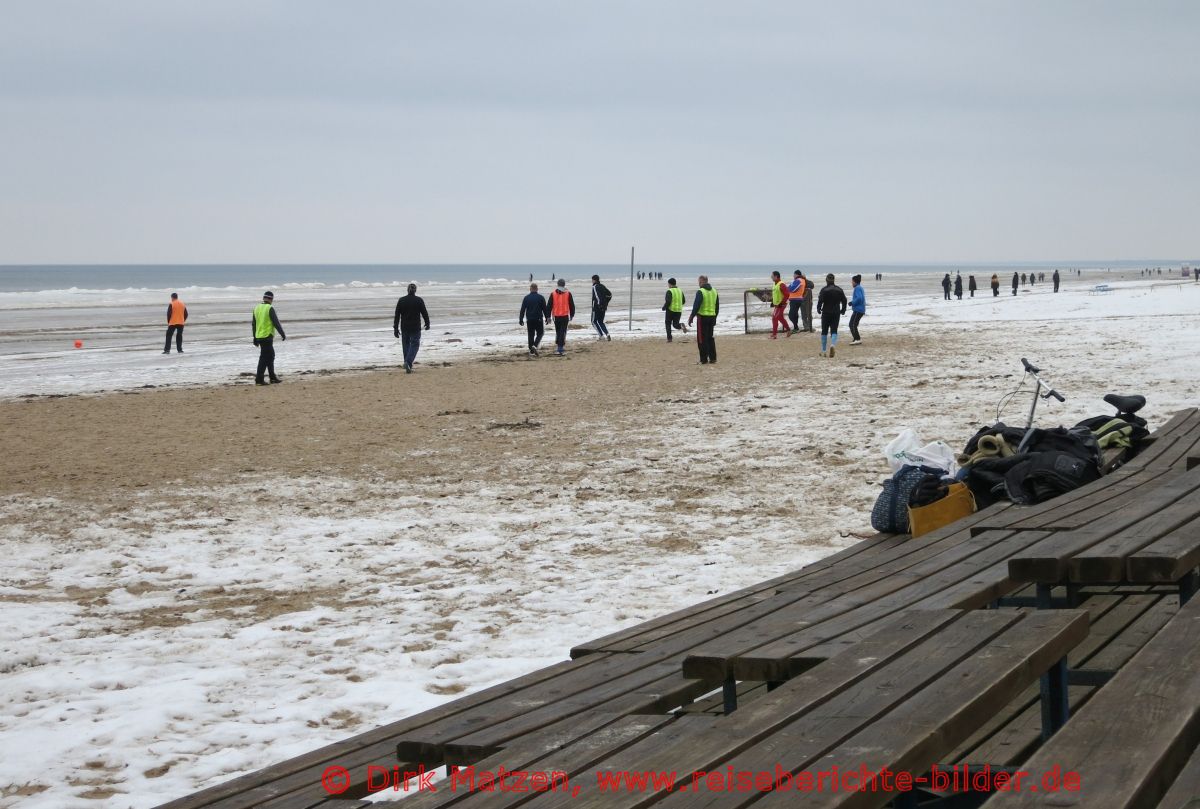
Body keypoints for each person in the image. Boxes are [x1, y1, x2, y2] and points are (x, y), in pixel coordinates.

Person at [393, 283, 431, 373]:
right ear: (415, 290)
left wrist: (395, 328)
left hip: (404, 327)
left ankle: (408, 365)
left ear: (407, 290)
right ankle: (408, 362)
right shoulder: (419, 300)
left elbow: (397, 316)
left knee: (405, 346)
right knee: (415, 345)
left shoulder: (401, 300)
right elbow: (424, 313)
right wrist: (427, 323)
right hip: (415, 327)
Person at [251, 291, 286, 385]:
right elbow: (276, 323)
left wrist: (254, 337)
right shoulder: (269, 308)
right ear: (271, 299)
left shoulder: (256, 308)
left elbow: (254, 324)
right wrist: (282, 333)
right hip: (267, 336)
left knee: (270, 356)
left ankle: (272, 377)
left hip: (259, 336)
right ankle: (259, 379)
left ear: (263, 298)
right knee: (264, 358)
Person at [687, 275, 718, 365]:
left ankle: (703, 359)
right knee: (710, 338)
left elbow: (696, 305)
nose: (698, 284)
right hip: (712, 317)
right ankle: (713, 358)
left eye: (699, 282)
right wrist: (715, 317)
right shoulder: (714, 291)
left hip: (702, 318)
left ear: (701, 282)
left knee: (701, 339)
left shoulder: (701, 291)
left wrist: (691, 317)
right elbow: (717, 306)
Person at [816, 273, 847, 358]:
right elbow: (844, 300)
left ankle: (824, 351)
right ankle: (832, 344)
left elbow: (820, 300)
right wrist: (843, 310)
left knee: (824, 331)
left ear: (826, 280)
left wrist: (818, 308)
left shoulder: (824, 290)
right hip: (836, 312)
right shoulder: (839, 290)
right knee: (834, 330)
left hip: (826, 312)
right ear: (834, 280)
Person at [519, 283, 549, 356]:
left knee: (531, 334)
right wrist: (547, 318)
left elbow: (522, 309)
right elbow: (545, 309)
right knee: (540, 333)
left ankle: (531, 351)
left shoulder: (526, 298)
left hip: (529, 319)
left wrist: (521, 319)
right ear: (537, 289)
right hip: (538, 319)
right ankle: (534, 346)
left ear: (530, 289)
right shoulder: (541, 297)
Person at [549, 278, 575, 356]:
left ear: (557, 284)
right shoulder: (568, 293)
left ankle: (560, 347)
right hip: (564, 316)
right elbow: (572, 305)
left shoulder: (553, 293)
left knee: (559, 332)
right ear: (564, 285)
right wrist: (572, 314)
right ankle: (560, 348)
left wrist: (548, 316)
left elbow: (549, 306)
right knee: (562, 332)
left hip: (557, 316)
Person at [662, 277, 687, 341]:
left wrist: (664, 307)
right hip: (678, 310)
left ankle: (669, 338)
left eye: (668, 284)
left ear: (670, 284)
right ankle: (681, 325)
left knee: (668, 323)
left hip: (670, 310)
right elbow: (683, 301)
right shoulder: (680, 291)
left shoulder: (669, 291)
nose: (668, 285)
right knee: (675, 325)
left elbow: (668, 301)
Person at [768, 270, 791, 338]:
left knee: (774, 318)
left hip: (781, 304)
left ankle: (774, 334)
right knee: (780, 318)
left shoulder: (781, 284)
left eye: (772, 276)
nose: (771, 277)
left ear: (776, 276)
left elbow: (787, 295)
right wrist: (773, 302)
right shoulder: (775, 284)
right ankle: (789, 330)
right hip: (777, 304)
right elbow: (775, 294)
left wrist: (782, 303)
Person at [590, 274, 612, 341]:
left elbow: (597, 296)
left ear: (594, 280)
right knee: (600, 322)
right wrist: (606, 303)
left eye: (592, 280)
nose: (592, 281)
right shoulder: (602, 286)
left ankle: (601, 336)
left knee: (593, 321)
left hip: (597, 307)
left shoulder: (595, 286)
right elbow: (610, 295)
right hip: (603, 307)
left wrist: (599, 304)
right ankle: (607, 334)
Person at [848, 274, 866, 345]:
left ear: (855, 282)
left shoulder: (857, 288)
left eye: (852, 281)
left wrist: (852, 303)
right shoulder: (860, 287)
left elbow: (860, 298)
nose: (851, 283)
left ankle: (857, 339)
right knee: (853, 324)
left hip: (858, 310)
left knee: (852, 324)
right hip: (860, 309)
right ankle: (856, 338)